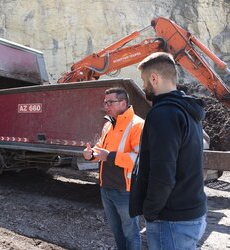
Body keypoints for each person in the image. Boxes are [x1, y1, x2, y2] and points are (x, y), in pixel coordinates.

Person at [129, 52, 207, 249]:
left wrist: (151, 212)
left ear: (154, 78)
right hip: (192, 212)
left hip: (172, 219)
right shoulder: (187, 109)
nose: (144, 87)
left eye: (144, 81)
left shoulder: (163, 113)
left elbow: (163, 174)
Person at [83, 87, 144, 250]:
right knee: (117, 232)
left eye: (110, 102)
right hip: (106, 188)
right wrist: (91, 154)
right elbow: (99, 148)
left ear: (123, 103)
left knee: (131, 233)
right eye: (105, 102)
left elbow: (140, 159)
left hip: (126, 191)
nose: (106, 105)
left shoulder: (137, 125)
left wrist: (110, 156)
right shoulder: (108, 125)